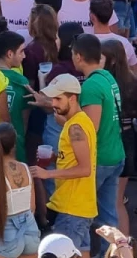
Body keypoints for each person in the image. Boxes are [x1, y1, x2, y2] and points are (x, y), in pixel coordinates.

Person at [30, 74, 96, 256]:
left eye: (58, 99)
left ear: (72, 98)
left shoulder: (75, 127)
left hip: (71, 210)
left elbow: (85, 169)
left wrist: (47, 174)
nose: (53, 104)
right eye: (53, 98)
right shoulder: (77, 122)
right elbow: (76, 158)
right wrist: (54, 157)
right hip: (79, 208)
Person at [69, 34, 125, 233]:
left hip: (99, 158)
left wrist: (62, 115)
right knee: (108, 216)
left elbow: (90, 128)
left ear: (79, 56)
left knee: (81, 216)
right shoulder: (106, 76)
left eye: (73, 54)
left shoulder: (91, 85)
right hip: (115, 154)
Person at [0, 123, 40, 258]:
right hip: (30, 230)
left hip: (6, 235)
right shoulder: (25, 168)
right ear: (14, 145)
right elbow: (32, 207)